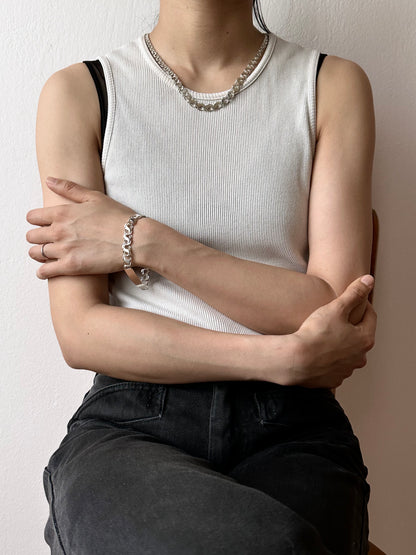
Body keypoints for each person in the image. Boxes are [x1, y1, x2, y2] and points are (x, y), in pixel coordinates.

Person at [26, 1, 376, 553]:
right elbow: (81, 332)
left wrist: (145, 240)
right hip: (131, 424)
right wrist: (279, 357)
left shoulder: (330, 85)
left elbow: (331, 306)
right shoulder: (82, 93)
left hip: (293, 430)